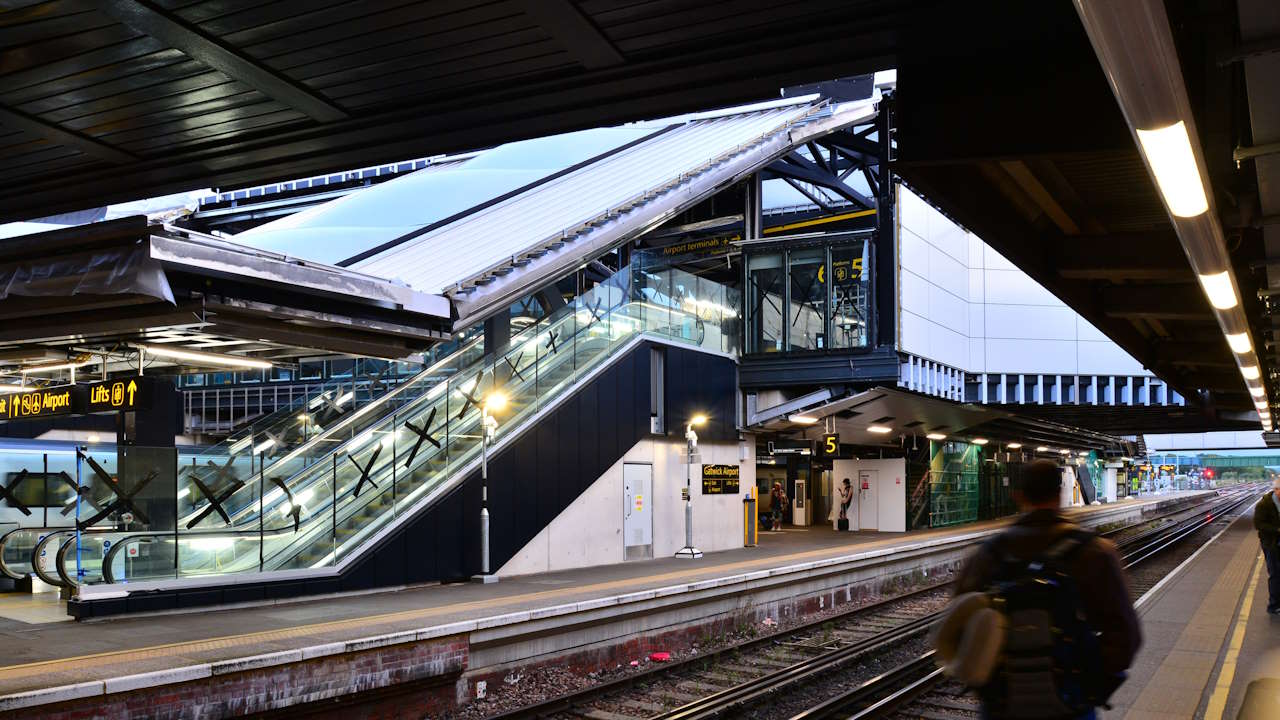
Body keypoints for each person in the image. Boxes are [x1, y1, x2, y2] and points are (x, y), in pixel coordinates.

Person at [945, 459, 1141, 719]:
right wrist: (1088, 683)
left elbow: (955, 628)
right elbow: (1127, 636)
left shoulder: (986, 555)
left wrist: (987, 680)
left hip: (1002, 706)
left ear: (1018, 496)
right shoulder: (1094, 552)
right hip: (1071, 705)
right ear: (1059, 494)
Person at [1252, 478, 1280, 614]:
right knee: (1275, 574)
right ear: (1276, 490)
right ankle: (1273, 605)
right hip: (1271, 544)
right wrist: (1277, 530)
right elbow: (1258, 524)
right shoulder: (1264, 504)